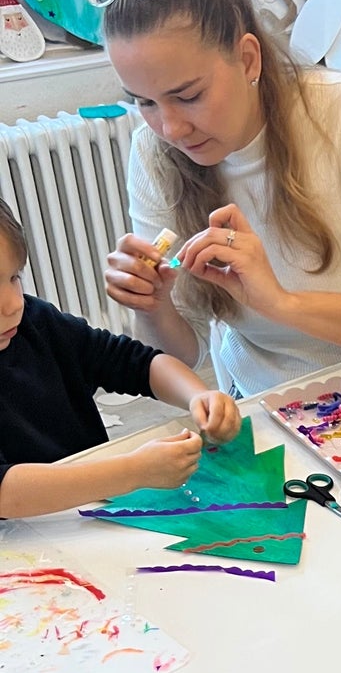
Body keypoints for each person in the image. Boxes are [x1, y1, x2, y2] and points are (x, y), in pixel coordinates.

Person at [97, 0, 341, 399]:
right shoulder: (154, 154)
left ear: (248, 59)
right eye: (144, 102)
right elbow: (189, 352)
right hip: (262, 402)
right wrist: (151, 306)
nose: (170, 129)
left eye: (188, 96)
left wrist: (283, 304)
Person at [0, 199, 239, 520]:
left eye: (14, 277)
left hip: (92, 516)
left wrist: (199, 395)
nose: (13, 304)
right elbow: (5, 493)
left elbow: (138, 362)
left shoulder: (36, 322)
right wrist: (132, 471)